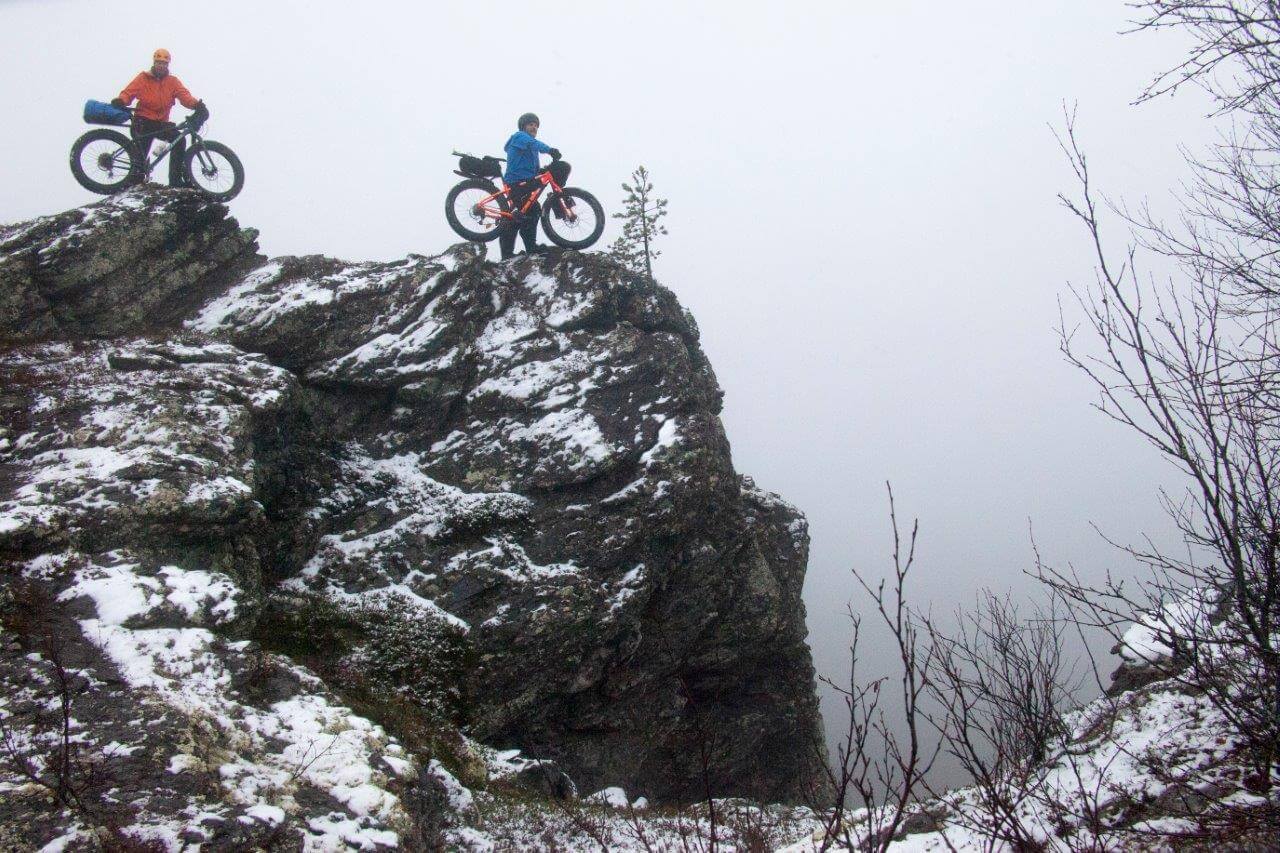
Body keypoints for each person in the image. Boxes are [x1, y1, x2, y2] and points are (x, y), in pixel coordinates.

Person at [112, 49, 209, 187]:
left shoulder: (172, 82)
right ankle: (134, 180)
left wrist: (197, 105)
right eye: (158, 63)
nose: (161, 66)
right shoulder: (143, 78)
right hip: (143, 121)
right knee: (139, 162)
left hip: (161, 123)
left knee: (179, 141)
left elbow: (184, 96)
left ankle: (175, 181)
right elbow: (129, 92)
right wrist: (121, 100)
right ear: (154, 63)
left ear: (168, 65)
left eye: (164, 63)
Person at [499, 112, 569, 260]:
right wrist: (550, 150)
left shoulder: (529, 148)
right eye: (531, 124)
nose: (534, 127)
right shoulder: (520, 137)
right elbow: (534, 143)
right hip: (517, 182)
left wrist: (543, 171)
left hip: (525, 181)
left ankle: (529, 248)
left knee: (530, 212)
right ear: (524, 126)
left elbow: (533, 167)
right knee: (515, 217)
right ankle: (510, 253)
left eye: (536, 125)